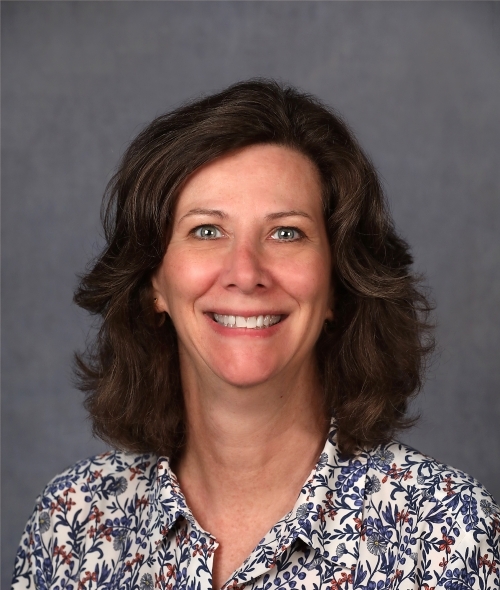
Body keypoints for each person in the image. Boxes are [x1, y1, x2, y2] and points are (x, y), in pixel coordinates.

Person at [12, 80, 499, 590]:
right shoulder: (71, 522)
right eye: (206, 231)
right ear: (153, 281)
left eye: (286, 232)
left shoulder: (448, 538)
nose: (245, 273)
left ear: (337, 281)